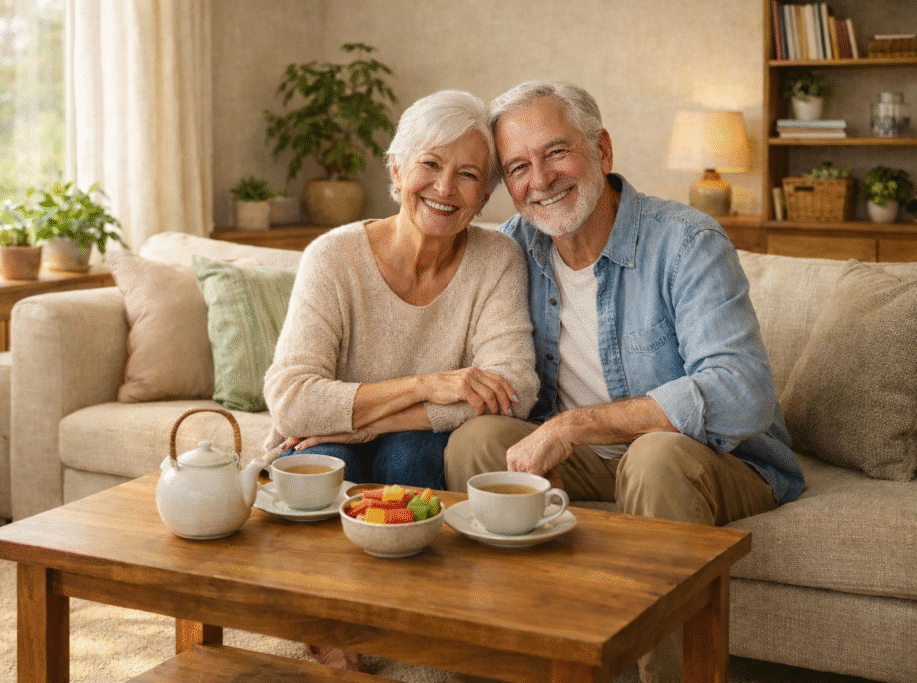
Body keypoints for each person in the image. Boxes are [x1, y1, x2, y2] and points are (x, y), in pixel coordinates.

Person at [443, 81, 805, 683]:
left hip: (720, 460)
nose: (540, 179)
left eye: (557, 152)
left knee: (655, 458)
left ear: (602, 151)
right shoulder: (510, 250)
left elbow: (741, 394)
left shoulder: (686, 241)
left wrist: (572, 426)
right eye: (518, 167)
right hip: (590, 460)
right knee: (475, 442)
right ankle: (525, 666)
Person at [263, 88, 539, 492]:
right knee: (329, 463)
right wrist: (427, 385)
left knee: (411, 454)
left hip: (419, 444)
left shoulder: (498, 258)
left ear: (483, 198)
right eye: (430, 163)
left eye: (467, 174)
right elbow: (292, 401)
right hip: (321, 442)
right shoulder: (332, 256)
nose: (444, 188)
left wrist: (373, 423)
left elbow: (514, 389)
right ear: (396, 170)